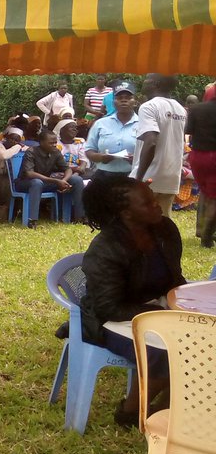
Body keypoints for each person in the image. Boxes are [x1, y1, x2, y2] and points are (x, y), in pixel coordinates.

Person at [79, 177, 184, 428]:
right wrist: (160, 313)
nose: (157, 204)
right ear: (126, 212)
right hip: (114, 319)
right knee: (164, 352)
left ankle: (165, 409)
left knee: (200, 336)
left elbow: (174, 278)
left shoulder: (165, 230)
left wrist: (185, 304)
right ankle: (130, 412)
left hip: (154, 307)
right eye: (147, 203)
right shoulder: (106, 248)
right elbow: (109, 307)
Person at [133, 73, 188, 215]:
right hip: (171, 175)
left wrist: (138, 179)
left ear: (156, 84)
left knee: (138, 222)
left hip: (150, 175)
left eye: (147, 79)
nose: (144, 81)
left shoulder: (149, 107)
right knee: (163, 223)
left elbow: (151, 141)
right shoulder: (180, 109)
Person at [16, 129, 85, 227]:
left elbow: (67, 169)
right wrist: (55, 181)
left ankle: (80, 217)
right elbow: (29, 173)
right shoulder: (31, 152)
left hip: (45, 182)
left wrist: (63, 181)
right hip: (26, 183)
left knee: (77, 180)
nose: (54, 145)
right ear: (41, 142)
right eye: (51, 143)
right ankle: (32, 220)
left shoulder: (55, 152)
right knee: (36, 182)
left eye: (55, 143)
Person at [84, 80, 139, 184]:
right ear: (113, 102)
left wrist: (136, 159)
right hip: (103, 177)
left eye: (128, 98)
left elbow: (151, 152)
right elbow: (89, 150)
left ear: (135, 102)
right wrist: (100, 157)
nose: (124, 101)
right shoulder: (100, 124)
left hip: (132, 177)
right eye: (119, 98)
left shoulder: (143, 125)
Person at [186, 90, 216, 246]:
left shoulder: (196, 109)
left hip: (197, 157)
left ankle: (201, 229)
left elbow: (188, 131)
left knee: (205, 193)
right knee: (214, 199)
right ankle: (207, 236)